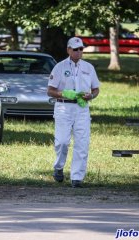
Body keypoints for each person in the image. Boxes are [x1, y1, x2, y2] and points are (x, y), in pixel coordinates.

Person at [47, 37, 100, 188]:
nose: (78, 52)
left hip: (82, 108)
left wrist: (91, 96)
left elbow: (96, 89)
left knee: (82, 143)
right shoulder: (59, 67)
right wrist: (64, 94)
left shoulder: (89, 67)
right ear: (68, 50)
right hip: (63, 107)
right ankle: (58, 167)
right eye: (75, 49)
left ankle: (77, 178)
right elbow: (50, 91)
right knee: (62, 142)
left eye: (81, 49)